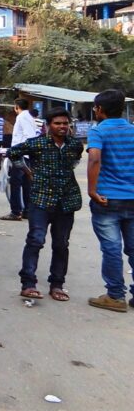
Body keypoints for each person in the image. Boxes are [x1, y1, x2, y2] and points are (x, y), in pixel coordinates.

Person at [8, 108, 84, 301]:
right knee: (36, 240)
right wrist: (27, 171)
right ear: (48, 126)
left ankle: (57, 285)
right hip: (40, 200)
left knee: (61, 244)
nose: (62, 127)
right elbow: (13, 153)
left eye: (65, 123)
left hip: (66, 202)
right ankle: (28, 284)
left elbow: (76, 160)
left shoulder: (74, 145)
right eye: (58, 123)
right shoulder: (37, 144)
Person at [85, 89, 134, 312]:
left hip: (107, 199)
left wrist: (92, 190)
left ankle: (115, 296)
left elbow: (94, 157)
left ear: (100, 109)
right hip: (132, 198)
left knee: (112, 249)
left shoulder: (98, 131)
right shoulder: (132, 130)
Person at [1, 99, 40, 221]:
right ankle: (27, 210)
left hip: (20, 155)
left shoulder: (22, 117)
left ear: (16, 107)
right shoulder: (29, 117)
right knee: (26, 183)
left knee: (15, 183)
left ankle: (16, 211)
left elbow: (29, 136)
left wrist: (19, 152)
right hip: (26, 155)